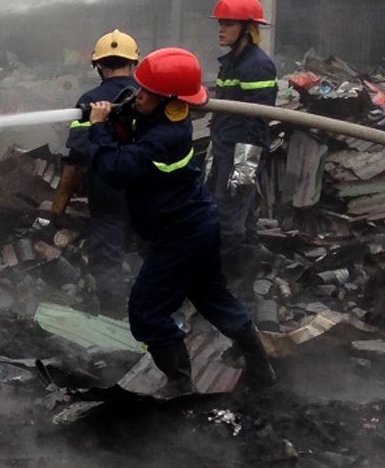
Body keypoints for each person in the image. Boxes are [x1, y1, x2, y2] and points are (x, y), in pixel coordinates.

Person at [85, 46, 277, 394]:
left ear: (169, 100)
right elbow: (137, 125)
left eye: (147, 93)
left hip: (181, 234)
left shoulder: (165, 137)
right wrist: (120, 112)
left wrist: (98, 129)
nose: (139, 96)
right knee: (213, 297)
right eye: (140, 89)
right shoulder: (167, 119)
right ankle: (261, 369)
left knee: (145, 309)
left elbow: (115, 169)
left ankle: (179, 382)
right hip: (195, 224)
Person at [53, 30, 140, 312]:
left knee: (109, 258)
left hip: (107, 194)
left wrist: (60, 204)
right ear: (133, 63)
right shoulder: (147, 97)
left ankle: (113, 316)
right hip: (148, 191)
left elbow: (77, 156)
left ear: (99, 66)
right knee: (154, 253)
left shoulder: (89, 101)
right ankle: (160, 313)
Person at [209, 0, 277, 294]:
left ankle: (229, 286)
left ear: (248, 28)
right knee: (244, 218)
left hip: (240, 154)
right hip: (225, 149)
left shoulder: (256, 66)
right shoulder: (232, 62)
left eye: (228, 23)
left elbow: (257, 121)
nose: (221, 28)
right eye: (221, 22)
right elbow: (224, 111)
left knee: (228, 220)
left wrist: (245, 166)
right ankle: (248, 283)